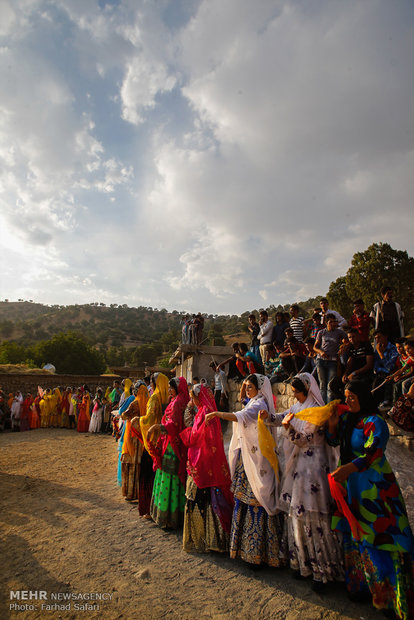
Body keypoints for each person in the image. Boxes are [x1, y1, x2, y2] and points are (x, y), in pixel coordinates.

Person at [326, 380, 414, 619]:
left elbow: (373, 452)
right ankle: (362, 588)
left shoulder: (374, 422)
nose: (348, 401)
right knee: (357, 537)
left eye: (353, 396)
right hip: (352, 486)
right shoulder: (347, 419)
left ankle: (392, 600)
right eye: (346, 397)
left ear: (364, 396)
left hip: (374, 487)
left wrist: (348, 469)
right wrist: (332, 427)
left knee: (382, 537)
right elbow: (334, 442)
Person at [263, 373, 344, 590]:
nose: (294, 396)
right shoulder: (298, 408)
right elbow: (282, 416)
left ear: (307, 389)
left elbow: (305, 440)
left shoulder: (317, 411)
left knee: (313, 515)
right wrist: (268, 417)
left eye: (297, 392)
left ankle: (322, 570)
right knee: (297, 513)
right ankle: (302, 563)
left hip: (313, 467)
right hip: (299, 467)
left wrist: (289, 428)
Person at [205, 374, 284, 568]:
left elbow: (241, 416)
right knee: (246, 501)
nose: (246, 390)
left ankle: (257, 553)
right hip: (249, 460)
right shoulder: (254, 402)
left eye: (250, 386)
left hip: (257, 463)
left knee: (257, 501)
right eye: (245, 386)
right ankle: (248, 550)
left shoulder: (259, 405)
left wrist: (218, 414)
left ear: (259, 388)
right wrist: (243, 392)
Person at [180, 384, 233, 553]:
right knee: (205, 499)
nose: (191, 401)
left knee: (198, 499)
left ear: (199, 397)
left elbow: (199, 436)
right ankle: (210, 539)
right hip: (204, 459)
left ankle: (203, 540)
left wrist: (186, 435)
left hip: (203, 461)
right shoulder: (205, 410)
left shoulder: (206, 413)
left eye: (193, 398)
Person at [147, 377, 189, 529]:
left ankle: (168, 517)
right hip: (172, 442)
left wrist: (157, 427)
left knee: (169, 476)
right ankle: (172, 515)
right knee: (171, 476)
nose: (169, 390)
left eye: (172, 388)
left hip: (173, 445)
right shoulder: (178, 399)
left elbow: (174, 424)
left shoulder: (178, 402)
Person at [120, 381, 149, 502]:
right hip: (142, 436)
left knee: (130, 463)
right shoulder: (147, 403)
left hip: (132, 436)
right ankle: (139, 492)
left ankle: (131, 493)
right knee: (139, 464)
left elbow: (124, 415)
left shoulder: (134, 403)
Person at [314, 314, 346, 403]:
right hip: (321, 360)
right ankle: (323, 405)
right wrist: (321, 352)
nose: (333, 324)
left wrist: (343, 346)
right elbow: (315, 347)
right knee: (322, 385)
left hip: (333, 361)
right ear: (326, 323)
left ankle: (329, 406)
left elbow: (347, 341)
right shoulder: (321, 332)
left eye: (334, 321)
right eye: (330, 322)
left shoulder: (339, 332)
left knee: (330, 385)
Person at [372, 330, 399, 408]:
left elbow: (390, 367)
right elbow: (376, 366)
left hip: (390, 373)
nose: (377, 340)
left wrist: (381, 354)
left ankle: (387, 401)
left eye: (379, 337)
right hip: (380, 373)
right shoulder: (377, 349)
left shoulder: (393, 349)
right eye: (376, 338)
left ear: (385, 336)